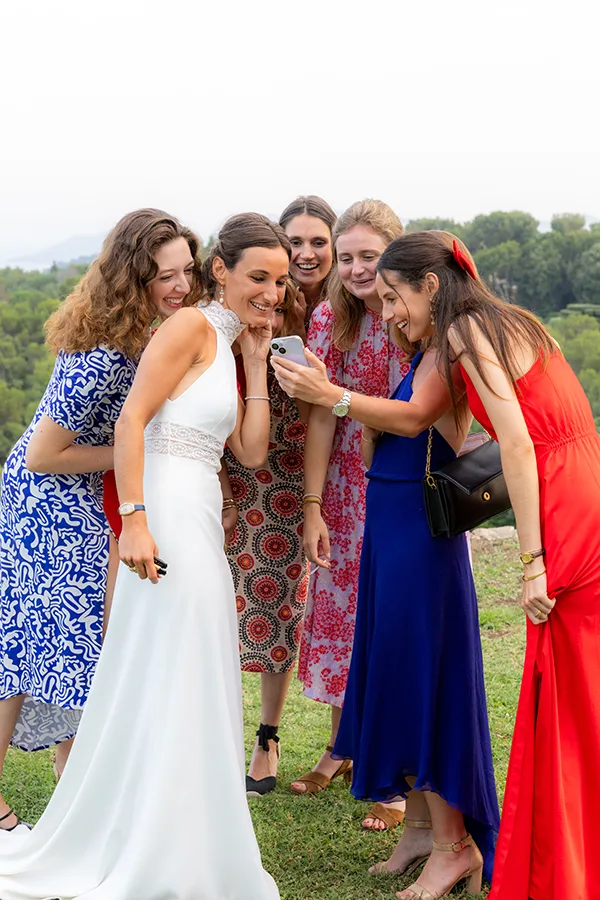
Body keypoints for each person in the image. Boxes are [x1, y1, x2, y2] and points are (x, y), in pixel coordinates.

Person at [273, 228, 600, 900]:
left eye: (394, 296)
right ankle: (547, 856)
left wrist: (532, 559)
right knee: (566, 687)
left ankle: (538, 860)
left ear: (431, 285)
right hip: (576, 483)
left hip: (564, 506)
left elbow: (513, 440)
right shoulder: (502, 322)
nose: (387, 311)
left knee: (568, 688)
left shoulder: (466, 333)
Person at [0, 212, 288, 900]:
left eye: (280, 281)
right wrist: (133, 520)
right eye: (259, 277)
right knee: (151, 661)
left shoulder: (224, 340)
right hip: (152, 512)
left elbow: (248, 451)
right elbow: (133, 422)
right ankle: (141, 832)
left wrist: (254, 363)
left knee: (190, 669)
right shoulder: (186, 328)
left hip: (191, 515)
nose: (273, 292)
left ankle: (188, 832)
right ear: (222, 270)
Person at [0, 209, 201, 828]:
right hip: (50, 503)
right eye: (163, 276)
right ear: (130, 278)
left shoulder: (145, 332)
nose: (179, 287)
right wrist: (145, 450)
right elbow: (43, 452)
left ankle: (77, 782)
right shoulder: (103, 355)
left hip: (87, 495)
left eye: (186, 272)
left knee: (78, 648)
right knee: (36, 648)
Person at [287, 199, 410, 834]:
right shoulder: (330, 317)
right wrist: (312, 506)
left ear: (392, 252)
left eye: (370, 256)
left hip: (397, 482)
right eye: (349, 256)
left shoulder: (410, 311)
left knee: (386, 624)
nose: (359, 268)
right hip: (340, 482)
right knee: (338, 615)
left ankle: (391, 779)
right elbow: (317, 416)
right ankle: (340, 750)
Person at [278, 194, 337, 332]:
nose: (307, 255)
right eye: (295, 243)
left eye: (318, 243)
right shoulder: (266, 300)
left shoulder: (356, 302)